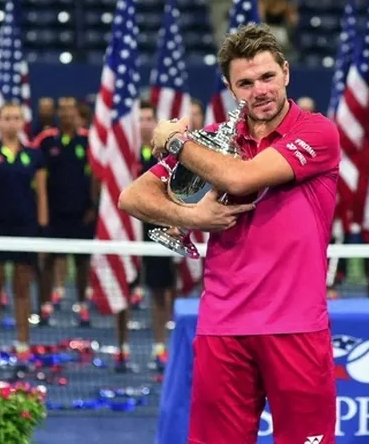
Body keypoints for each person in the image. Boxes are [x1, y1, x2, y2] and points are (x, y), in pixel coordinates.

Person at [118, 23, 338, 443]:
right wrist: (192, 217)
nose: (260, 90)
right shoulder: (215, 142)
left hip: (295, 327)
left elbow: (240, 178)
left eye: (268, 77)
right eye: (246, 83)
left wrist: (176, 142)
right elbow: (132, 197)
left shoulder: (316, 132)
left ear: (286, 73)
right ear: (230, 88)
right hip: (223, 327)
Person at [0, 102, 48, 371]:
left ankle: (23, 347)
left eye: (16, 118)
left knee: (22, 290)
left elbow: (41, 194)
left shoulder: (34, 155)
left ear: (23, 122)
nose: (12, 122)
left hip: (25, 229)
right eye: (7, 118)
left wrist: (42, 229)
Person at [121, 100, 177, 373]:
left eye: (148, 119)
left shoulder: (167, 155)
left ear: (155, 123)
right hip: (127, 230)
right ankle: (122, 349)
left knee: (159, 291)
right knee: (122, 286)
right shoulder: (124, 154)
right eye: (140, 119)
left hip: (158, 228)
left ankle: (159, 346)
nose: (144, 124)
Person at [34, 96, 96, 327]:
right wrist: (42, 215)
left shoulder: (89, 140)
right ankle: (45, 307)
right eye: (63, 109)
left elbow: (96, 175)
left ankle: (83, 306)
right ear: (58, 113)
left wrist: (93, 206)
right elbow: (38, 178)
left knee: (82, 263)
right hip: (54, 215)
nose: (67, 113)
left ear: (76, 113)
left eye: (71, 109)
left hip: (82, 214)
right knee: (47, 261)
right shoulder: (46, 141)